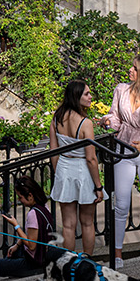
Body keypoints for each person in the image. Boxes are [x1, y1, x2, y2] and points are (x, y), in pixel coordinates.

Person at [105, 55, 140, 257]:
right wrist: (108, 121)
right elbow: (116, 119)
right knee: (120, 204)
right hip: (123, 150)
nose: (130, 70)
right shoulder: (121, 89)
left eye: (135, 68)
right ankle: (117, 253)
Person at [50, 77, 103, 254]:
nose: (90, 97)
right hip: (83, 172)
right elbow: (91, 159)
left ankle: (70, 262)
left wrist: (59, 173)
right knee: (87, 222)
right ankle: (86, 261)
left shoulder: (56, 118)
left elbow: (53, 151)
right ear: (76, 97)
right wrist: (98, 186)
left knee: (68, 224)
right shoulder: (86, 123)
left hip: (64, 168)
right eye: (86, 94)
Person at [0, 173, 55, 281]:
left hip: (34, 260)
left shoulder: (33, 214)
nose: (19, 200)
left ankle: (34, 270)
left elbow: (31, 245)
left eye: (20, 197)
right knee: (11, 252)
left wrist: (16, 225)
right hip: (44, 254)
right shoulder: (44, 206)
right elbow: (32, 234)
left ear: (30, 196)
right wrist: (17, 245)